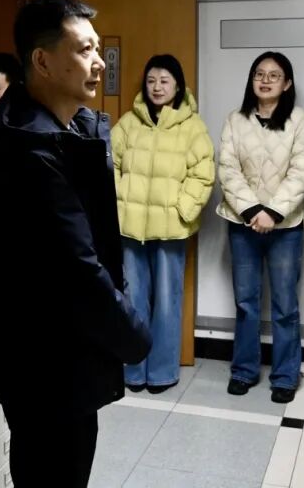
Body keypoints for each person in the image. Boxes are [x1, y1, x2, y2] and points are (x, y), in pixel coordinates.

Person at [0, 0, 151, 487]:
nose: (99, 63)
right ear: (42, 61)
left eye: (97, 48)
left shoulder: (67, 126)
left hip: (65, 352)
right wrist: (134, 334)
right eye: (84, 50)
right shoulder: (28, 152)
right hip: (45, 363)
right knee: (54, 471)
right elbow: (77, 267)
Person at [217, 51, 304, 404]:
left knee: (285, 304)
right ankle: (244, 371)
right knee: (246, 302)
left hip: (285, 226)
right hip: (242, 222)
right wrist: (252, 210)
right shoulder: (235, 120)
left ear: (287, 83)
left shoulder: (300, 121)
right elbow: (227, 168)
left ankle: (285, 376)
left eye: (274, 75)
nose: (265, 80)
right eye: (259, 74)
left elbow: (303, 172)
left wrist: (272, 212)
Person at [113, 54, 215, 394]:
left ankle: (161, 372)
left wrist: (182, 209)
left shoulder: (192, 127)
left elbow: (203, 174)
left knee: (168, 301)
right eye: (151, 80)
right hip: (130, 228)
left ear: (178, 86)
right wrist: (118, 202)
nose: (157, 87)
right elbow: (108, 163)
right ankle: (133, 370)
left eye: (164, 81)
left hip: (171, 229)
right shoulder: (128, 123)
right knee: (132, 299)